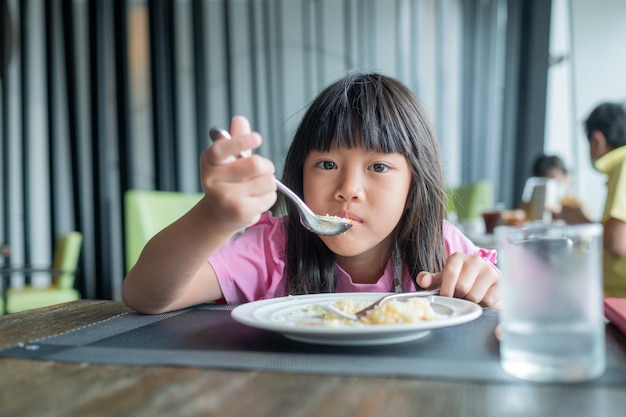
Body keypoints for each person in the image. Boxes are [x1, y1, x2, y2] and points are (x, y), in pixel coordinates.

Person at [122, 72, 500, 314]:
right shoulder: (274, 249)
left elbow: (508, 300)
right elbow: (146, 296)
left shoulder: (442, 247)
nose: (348, 190)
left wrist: (489, 288)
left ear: (414, 182)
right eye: (327, 165)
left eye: (379, 167)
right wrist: (214, 217)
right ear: (300, 173)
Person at [576, 102, 626, 297]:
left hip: (619, 299)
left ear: (597, 140)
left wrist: (579, 221)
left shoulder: (624, 165)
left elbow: (617, 243)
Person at [530, 153, 590, 221]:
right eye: (543, 182)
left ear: (566, 177)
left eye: (554, 180)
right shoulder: (528, 207)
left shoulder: (577, 206)